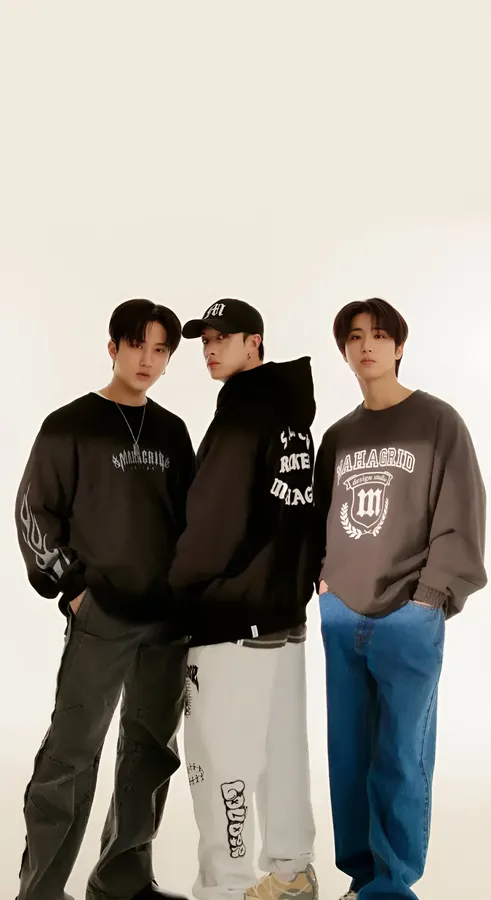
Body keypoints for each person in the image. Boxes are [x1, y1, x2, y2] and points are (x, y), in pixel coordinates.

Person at [15, 299, 195, 900]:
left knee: (150, 753)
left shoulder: (172, 431)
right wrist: (71, 589)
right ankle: (42, 890)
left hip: (165, 619)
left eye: (160, 350)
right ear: (113, 347)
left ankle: (123, 881)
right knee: (69, 756)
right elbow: (33, 510)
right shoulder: (70, 424)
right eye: (137, 345)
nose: (147, 360)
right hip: (101, 614)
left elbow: (190, 520)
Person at [313, 298, 487, 900]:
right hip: (342, 613)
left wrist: (431, 596)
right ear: (344, 350)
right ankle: (362, 879)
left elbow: (461, 512)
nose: (367, 346)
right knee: (349, 757)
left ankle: (391, 887)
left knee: (400, 756)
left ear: (399, 347)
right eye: (356, 337)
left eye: (380, 336)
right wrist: (323, 584)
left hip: (409, 615)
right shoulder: (338, 437)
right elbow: (318, 520)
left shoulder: (438, 422)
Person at [167, 299, 318, 900]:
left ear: (254, 342)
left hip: (230, 619)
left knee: (218, 763)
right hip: (283, 618)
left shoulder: (241, 417)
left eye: (222, 338)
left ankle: (224, 889)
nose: (209, 349)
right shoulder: (293, 417)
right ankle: (292, 874)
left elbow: (215, 523)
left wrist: (177, 592)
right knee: (282, 755)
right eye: (204, 340)